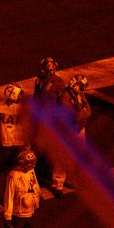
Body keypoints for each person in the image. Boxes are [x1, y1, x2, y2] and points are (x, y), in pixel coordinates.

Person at [3, 148, 47, 228]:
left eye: (33, 163)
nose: (32, 166)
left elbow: (34, 183)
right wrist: (7, 216)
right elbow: (9, 196)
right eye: (30, 164)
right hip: (18, 214)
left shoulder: (30, 171)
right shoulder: (13, 176)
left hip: (30, 211)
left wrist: (38, 194)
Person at [34, 57, 71, 194]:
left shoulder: (58, 83)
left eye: (43, 69)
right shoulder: (39, 81)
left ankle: (58, 181)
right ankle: (37, 173)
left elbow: (63, 103)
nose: (41, 71)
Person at [0, 85, 28, 200]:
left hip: (6, 145)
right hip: (15, 146)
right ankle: (10, 194)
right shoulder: (21, 110)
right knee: (14, 172)